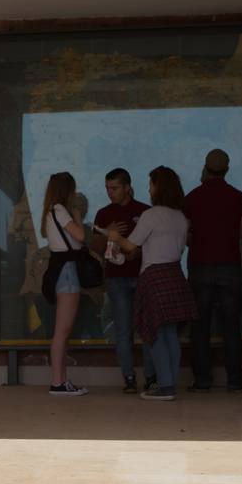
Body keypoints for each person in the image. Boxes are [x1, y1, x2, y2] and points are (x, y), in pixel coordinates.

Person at [107, 167, 196, 401]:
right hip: (176, 276)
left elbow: (130, 246)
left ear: (159, 187)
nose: (148, 188)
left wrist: (115, 237)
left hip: (154, 277)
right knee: (170, 335)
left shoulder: (152, 215)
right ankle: (170, 383)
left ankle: (165, 386)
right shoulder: (180, 217)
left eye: (151, 184)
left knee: (155, 334)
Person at [182, 149, 242, 393]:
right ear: (227, 168)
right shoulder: (238, 197)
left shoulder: (192, 198)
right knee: (232, 325)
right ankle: (235, 380)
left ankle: (202, 380)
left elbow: (187, 236)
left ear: (205, 167)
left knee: (200, 327)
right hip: (229, 267)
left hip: (200, 266)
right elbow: (241, 233)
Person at [93, 169, 154, 394]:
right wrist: (106, 234)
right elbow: (95, 249)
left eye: (115, 188)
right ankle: (128, 377)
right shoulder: (103, 213)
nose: (110, 192)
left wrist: (136, 252)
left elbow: (152, 244)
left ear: (127, 187)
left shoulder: (145, 212)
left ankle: (151, 377)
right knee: (123, 330)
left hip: (142, 275)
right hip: (116, 279)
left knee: (147, 329)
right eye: (107, 188)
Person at [40, 171, 90, 396]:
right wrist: (78, 215)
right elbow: (80, 236)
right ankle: (58, 382)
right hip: (68, 271)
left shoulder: (50, 212)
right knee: (63, 330)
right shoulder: (60, 210)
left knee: (62, 330)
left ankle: (61, 380)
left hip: (59, 269)